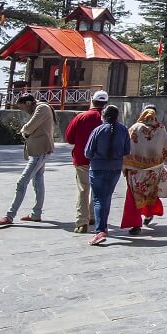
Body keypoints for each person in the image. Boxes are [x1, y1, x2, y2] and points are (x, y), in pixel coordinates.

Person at [0, 94, 56, 226]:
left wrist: (24, 131)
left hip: (40, 151)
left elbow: (29, 127)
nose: (23, 110)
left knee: (22, 182)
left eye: (22, 107)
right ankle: (36, 214)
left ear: (27, 103)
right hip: (38, 151)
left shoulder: (42, 108)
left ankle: (9, 216)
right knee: (37, 182)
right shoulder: (39, 108)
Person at [119, 106, 167, 236]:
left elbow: (126, 148)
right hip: (154, 170)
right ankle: (148, 214)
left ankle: (136, 225)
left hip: (135, 170)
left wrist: (126, 165)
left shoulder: (135, 128)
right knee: (150, 192)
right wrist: (158, 161)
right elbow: (166, 149)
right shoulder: (161, 128)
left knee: (134, 196)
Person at [84, 104, 131, 246]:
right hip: (115, 168)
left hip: (98, 167)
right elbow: (127, 150)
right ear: (118, 116)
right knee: (107, 197)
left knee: (98, 199)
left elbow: (87, 152)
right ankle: (103, 227)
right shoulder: (123, 130)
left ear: (102, 116)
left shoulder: (98, 130)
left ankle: (100, 230)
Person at [64, 91, 107, 234]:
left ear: (92, 100)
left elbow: (69, 138)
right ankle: (92, 216)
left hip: (81, 159)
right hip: (101, 161)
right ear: (105, 103)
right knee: (97, 189)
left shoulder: (81, 117)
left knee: (83, 190)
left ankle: (82, 222)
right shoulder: (108, 119)